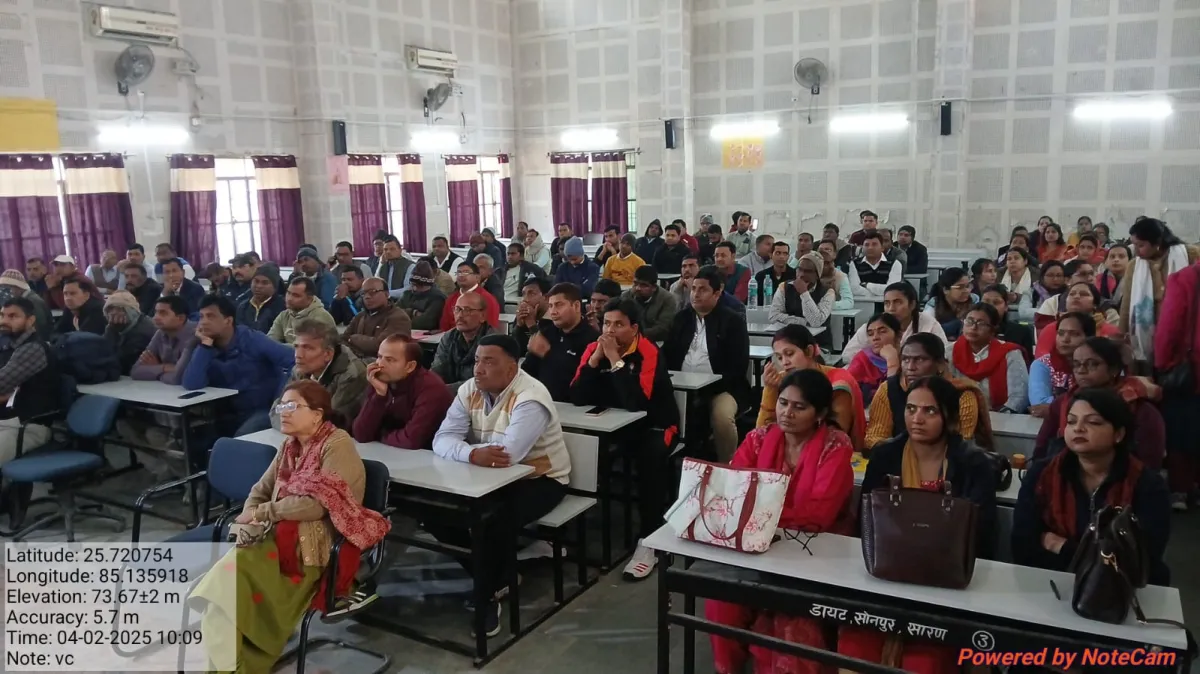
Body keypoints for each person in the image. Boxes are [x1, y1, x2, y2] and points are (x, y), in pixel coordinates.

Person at [191, 379, 387, 673]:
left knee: (222, 593)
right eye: (281, 406)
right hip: (271, 539)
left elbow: (317, 505)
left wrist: (263, 512)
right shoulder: (290, 446)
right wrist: (251, 515)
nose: (283, 412)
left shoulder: (337, 445)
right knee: (219, 600)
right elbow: (260, 489)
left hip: (311, 551)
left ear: (317, 414)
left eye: (292, 406)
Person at [843, 378, 997, 671]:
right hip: (886, 574)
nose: (917, 418)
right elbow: (865, 520)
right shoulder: (886, 455)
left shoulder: (973, 463)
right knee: (854, 649)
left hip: (947, 582)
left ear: (949, 417)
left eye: (930, 411)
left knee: (924, 662)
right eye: (911, 409)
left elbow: (984, 532)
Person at [707, 369, 855, 674]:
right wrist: (758, 517)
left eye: (799, 407)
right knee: (721, 603)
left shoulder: (836, 446)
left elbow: (818, 516)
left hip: (815, 555)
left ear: (820, 414)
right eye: (784, 403)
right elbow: (734, 491)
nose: (787, 413)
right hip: (757, 547)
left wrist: (759, 513)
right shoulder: (759, 438)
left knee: (793, 625)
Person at [430, 334, 570, 636]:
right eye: (477, 360)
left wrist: (466, 451)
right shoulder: (470, 389)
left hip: (540, 479)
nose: (478, 369)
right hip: (484, 478)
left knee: (492, 522)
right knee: (434, 512)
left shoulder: (531, 396)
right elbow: (441, 439)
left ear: (511, 368)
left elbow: (509, 455)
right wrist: (471, 454)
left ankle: (486, 598)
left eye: (489, 362)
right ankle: (500, 577)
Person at [570, 298, 680, 581]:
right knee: (573, 449)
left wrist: (615, 361)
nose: (610, 330)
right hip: (612, 425)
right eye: (606, 323)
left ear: (634, 328)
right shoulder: (593, 348)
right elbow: (577, 397)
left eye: (618, 324)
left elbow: (638, 403)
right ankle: (566, 534)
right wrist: (595, 360)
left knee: (650, 458)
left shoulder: (649, 351)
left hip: (656, 424)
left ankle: (650, 540)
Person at [1013, 388, 1170, 585]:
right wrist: (1096, 555)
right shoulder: (1043, 474)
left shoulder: (1146, 484)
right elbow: (1022, 545)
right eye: (1071, 421)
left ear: (1118, 434)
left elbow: (1140, 559)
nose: (1078, 428)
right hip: (1051, 582)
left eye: (1093, 422)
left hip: (1122, 590)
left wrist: (1059, 545)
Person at [1032, 336, 1164, 470]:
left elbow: (1148, 464)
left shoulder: (1140, 410)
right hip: (1065, 474)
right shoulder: (1063, 402)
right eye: (1076, 364)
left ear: (1113, 369)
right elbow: (1041, 449)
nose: (1081, 370)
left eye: (1092, 364)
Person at [662, 266, 750, 461]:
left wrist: (707, 386)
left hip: (722, 388)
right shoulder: (681, 318)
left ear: (717, 293)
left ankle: (728, 464)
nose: (695, 294)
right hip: (681, 386)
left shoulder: (732, 321)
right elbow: (667, 354)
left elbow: (738, 366)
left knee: (722, 417)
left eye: (703, 289)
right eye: (694, 288)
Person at [183, 295, 295, 435]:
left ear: (228, 320)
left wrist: (280, 399)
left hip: (261, 410)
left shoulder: (253, 339)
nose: (203, 322)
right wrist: (205, 345)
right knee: (194, 437)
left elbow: (294, 361)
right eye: (201, 316)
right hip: (225, 413)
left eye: (211, 316)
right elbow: (192, 383)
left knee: (239, 439)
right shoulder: (205, 347)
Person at [866, 333, 991, 449]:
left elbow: (960, 444)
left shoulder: (962, 396)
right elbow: (874, 437)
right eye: (905, 359)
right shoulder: (888, 389)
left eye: (920, 359)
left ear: (940, 364)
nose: (910, 367)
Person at [757, 324, 866, 448]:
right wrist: (770, 390)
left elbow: (833, 441)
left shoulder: (838, 384)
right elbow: (760, 437)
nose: (784, 363)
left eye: (790, 354)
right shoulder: (783, 379)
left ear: (809, 351)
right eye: (779, 357)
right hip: (792, 450)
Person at [1119, 217, 1198, 366]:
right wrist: (1121, 334)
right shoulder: (1134, 266)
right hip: (1148, 334)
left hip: (1185, 331)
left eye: (1141, 245)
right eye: (1134, 245)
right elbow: (1127, 304)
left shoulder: (1190, 255)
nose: (1136, 251)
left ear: (1157, 242)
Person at [1154, 257, 1200, 510]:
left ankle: (1181, 489)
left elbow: (1169, 327)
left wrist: (1163, 363)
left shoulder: (1185, 278)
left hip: (1191, 370)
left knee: (1181, 429)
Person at [353, 334, 454, 449]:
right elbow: (361, 434)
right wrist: (379, 396)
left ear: (410, 366)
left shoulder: (432, 389)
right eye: (379, 357)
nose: (380, 364)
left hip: (428, 456)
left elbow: (411, 440)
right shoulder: (380, 380)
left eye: (390, 360)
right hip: (389, 452)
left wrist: (379, 435)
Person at [269, 321, 368, 431]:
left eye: (307, 348)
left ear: (328, 354)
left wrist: (291, 423)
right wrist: (290, 425)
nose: (298, 355)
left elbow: (330, 423)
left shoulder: (351, 374)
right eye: (296, 347)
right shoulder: (299, 369)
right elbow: (276, 411)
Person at [0, 297, 59, 466]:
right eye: (2, 315)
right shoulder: (8, 346)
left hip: (26, 427)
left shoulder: (33, 348)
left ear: (31, 320)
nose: (4, 321)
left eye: (13, 316)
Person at [521, 283, 600, 402]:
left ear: (576, 306)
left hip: (573, 405)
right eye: (550, 306)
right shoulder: (546, 333)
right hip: (541, 402)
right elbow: (527, 373)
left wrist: (548, 355)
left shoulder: (592, 339)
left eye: (559, 305)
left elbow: (581, 381)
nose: (553, 311)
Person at [841, 282, 949, 363]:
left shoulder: (929, 324)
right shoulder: (875, 325)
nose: (891, 309)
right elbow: (847, 355)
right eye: (887, 303)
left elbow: (944, 356)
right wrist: (878, 358)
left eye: (898, 303)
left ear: (912, 304)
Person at [950, 303, 1029, 412]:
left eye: (981, 323)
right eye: (969, 321)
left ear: (993, 329)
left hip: (1001, 416)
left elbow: (1019, 396)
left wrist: (1003, 413)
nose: (973, 327)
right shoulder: (949, 352)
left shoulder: (1010, 353)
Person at [1028, 312, 1096, 413]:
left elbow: (1099, 402)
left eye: (1074, 334)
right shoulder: (1042, 364)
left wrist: (1055, 407)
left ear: (1089, 337)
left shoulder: (1097, 364)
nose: (1065, 339)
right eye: (1060, 333)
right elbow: (1039, 404)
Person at [1034, 283, 1117, 357]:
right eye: (1072, 294)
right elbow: (1041, 360)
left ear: (1095, 304)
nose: (1076, 297)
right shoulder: (1051, 329)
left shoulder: (1109, 331)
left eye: (1084, 294)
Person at [768, 252, 834, 346]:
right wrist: (803, 322)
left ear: (817, 275)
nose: (801, 274)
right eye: (799, 269)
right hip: (790, 342)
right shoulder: (784, 287)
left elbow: (815, 322)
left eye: (808, 271)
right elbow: (773, 316)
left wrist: (804, 293)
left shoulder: (828, 292)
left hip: (818, 344)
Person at [432, 292, 497, 386]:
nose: (460, 315)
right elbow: (436, 373)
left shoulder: (492, 342)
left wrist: (443, 390)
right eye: (457, 309)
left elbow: (480, 382)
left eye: (467, 310)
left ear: (482, 316)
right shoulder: (448, 337)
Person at [339, 277, 410, 361]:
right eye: (363, 293)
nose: (367, 297)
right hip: (357, 361)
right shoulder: (361, 316)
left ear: (387, 294)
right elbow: (343, 340)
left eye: (372, 292)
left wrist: (354, 338)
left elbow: (381, 346)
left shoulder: (398, 317)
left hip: (383, 365)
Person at [131, 296, 197, 386]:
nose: (156, 317)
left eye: (163, 313)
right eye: (156, 312)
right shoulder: (160, 333)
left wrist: (155, 369)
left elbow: (178, 378)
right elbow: (135, 371)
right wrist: (164, 367)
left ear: (181, 318)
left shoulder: (195, 335)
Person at [847, 313, 901, 404]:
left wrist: (892, 360)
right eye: (870, 334)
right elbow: (846, 387)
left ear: (899, 335)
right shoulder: (862, 359)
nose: (875, 338)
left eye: (882, 331)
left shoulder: (908, 359)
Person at [268, 277, 336, 345]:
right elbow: (270, 342)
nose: (289, 298)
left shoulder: (321, 318)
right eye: (288, 293)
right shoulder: (284, 315)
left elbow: (308, 348)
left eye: (296, 295)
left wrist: (279, 347)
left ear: (309, 299)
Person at [102, 290, 156, 375]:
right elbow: (103, 351)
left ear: (132, 311)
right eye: (110, 309)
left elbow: (123, 362)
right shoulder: (114, 327)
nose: (114, 313)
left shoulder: (144, 329)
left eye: (120, 309)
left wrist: (114, 329)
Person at [438, 261, 501, 331]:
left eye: (466, 272)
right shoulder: (451, 298)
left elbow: (491, 328)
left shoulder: (487, 299)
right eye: (459, 272)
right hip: (452, 336)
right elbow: (444, 326)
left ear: (477, 277)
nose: (461, 275)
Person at [620, 266, 677, 342]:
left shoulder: (667, 299)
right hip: (628, 338)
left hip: (656, 341)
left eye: (643, 285)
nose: (638, 288)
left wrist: (635, 334)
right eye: (635, 283)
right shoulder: (626, 296)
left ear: (654, 287)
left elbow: (663, 327)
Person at [979, 284, 1035, 360]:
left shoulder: (1021, 332)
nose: (990, 306)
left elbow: (1027, 362)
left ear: (1006, 307)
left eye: (996, 302)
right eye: (986, 302)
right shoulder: (971, 329)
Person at [923, 268, 976, 339]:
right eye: (960, 287)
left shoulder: (975, 301)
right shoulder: (934, 304)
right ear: (945, 290)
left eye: (968, 286)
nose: (966, 290)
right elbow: (927, 331)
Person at [848, 231, 902, 298]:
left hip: (888, 302)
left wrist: (867, 285)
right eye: (867, 245)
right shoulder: (855, 264)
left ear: (882, 248)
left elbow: (893, 289)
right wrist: (874, 295)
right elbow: (854, 289)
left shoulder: (894, 263)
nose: (870, 248)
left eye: (874, 244)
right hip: (863, 302)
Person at [398, 262, 447, 332]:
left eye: (419, 286)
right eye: (413, 284)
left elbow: (425, 323)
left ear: (427, 284)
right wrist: (412, 312)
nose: (415, 288)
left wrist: (400, 321)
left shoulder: (438, 298)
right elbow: (393, 313)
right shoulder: (407, 294)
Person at [0, 271, 51, 339]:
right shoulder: (18, 301)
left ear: (19, 287)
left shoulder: (33, 301)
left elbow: (40, 328)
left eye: (7, 287)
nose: (4, 292)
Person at [236, 266, 286, 334]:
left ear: (274, 287)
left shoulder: (282, 307)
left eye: (265, 283)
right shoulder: (243, 306)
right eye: (256, 281)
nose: (259, 286)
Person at [512, 277, 550, 353]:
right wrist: (519, 326)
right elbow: (514, 351)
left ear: (546, 298)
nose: (525, 299)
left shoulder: (554, 320)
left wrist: (531, 324)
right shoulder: (523, 314)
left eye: (531, 294)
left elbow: (545, 352)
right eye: (523, 294)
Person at [815, 240, 854, 311]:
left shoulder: (840, 276)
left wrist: (826, 305)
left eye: (827, 250)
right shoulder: (809, 273)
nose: (824, 252)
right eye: (820, 250)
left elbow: (849, 302)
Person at [755, 240, 795, 306]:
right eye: (778, 253)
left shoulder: (795, 275)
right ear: (771, 255)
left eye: (785, 253)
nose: (782, 256)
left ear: (788, 256)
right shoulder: (761, 276)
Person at [1000, 247, 1035, 319]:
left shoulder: (1036, 275)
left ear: (1025, 261)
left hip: (1028, 313)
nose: (1012, 261)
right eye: (1009, 259)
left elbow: (1037, 297)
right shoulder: (999, 274)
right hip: (1004, 311)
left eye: (1016, 258)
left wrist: (1016, 297)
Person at [376, 235, 415, 299]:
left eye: (392, 249)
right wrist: (380, 263)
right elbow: (376, 283)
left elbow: (407, 290)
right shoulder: (383, 266)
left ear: (400, 250)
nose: (388, 252)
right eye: (385, 249)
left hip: (402, 302)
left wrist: (386, 294)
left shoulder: (410, 266)